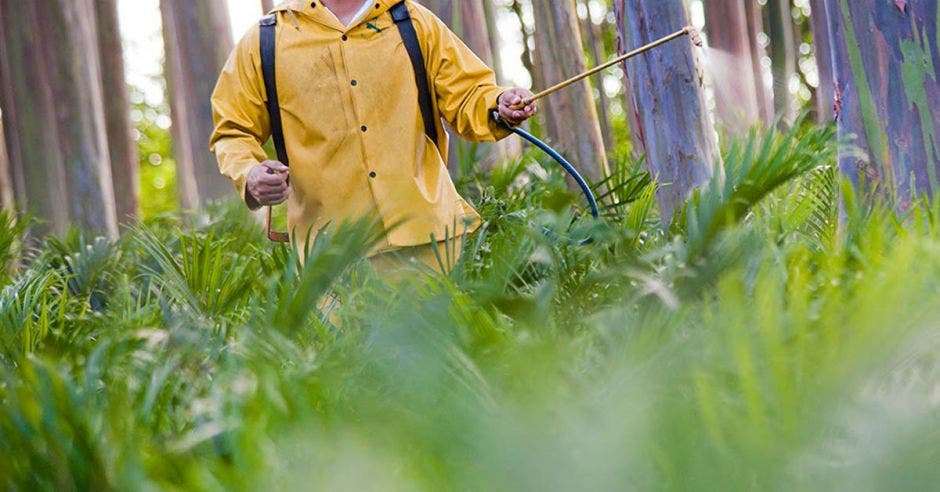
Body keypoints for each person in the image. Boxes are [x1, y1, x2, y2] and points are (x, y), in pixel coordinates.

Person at [210, 0, 537, 273]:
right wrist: (249, 174)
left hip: (432, 245)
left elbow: (469, 95)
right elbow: (232, 131)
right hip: (332, 260)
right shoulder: (265, 40)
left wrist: (498, 104)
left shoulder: (412, 21)